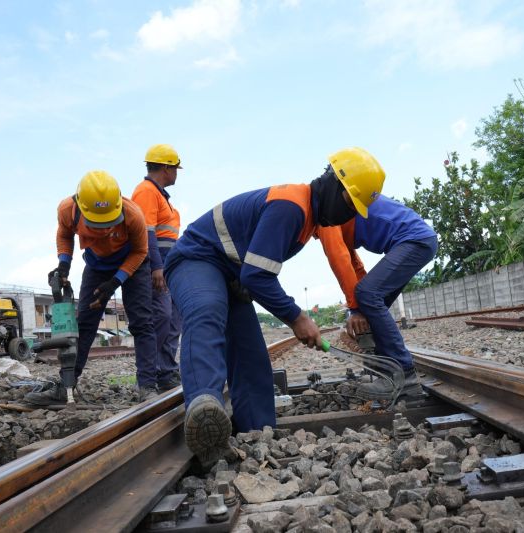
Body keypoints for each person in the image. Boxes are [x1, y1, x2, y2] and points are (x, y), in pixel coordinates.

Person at [164, 147, 385, 464]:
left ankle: (257, 433)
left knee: (251, 354)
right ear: (334, 185)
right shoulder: (292, 207)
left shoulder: (307, 216)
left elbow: (252, 271)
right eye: (350, 204)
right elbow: (258, 275)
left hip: (233, 275)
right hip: (195, 260)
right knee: (207, 309)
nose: (347, 214)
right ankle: (203, 406)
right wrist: (297, 318)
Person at [26, 170, 158, 405]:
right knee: (85, 324)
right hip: (97, 266)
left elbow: (140, 251)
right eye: (98, 224)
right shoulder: (68, 210)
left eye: (109, 223)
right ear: (81, 207)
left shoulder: (133, 214)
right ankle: (66, 386)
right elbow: (65, 233)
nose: (105, 230)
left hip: (133, 265)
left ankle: (148, 387)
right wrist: (63, 265)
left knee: (142, 323)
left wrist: (116, 281)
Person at [315, 194, 437, 400]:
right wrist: (359, 307)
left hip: (415, 240)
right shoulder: (333, 209)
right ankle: (386, 373)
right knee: (369, 299)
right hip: (417, 240)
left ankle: (404, 375)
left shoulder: (324, 215)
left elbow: (340, 260)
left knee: (367, 295)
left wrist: (355, 308)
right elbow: (355, 264)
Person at [131, 144, 183, 392]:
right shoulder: (146, 191)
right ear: (166, 167)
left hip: (168, 262)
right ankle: (149, 376)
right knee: (160, 317)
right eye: (175, 169)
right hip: (156, 263)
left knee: (173, 318)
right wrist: (156, 267)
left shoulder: (159, 195)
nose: (177, 173)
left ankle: (166, 372)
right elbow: (146, 232)